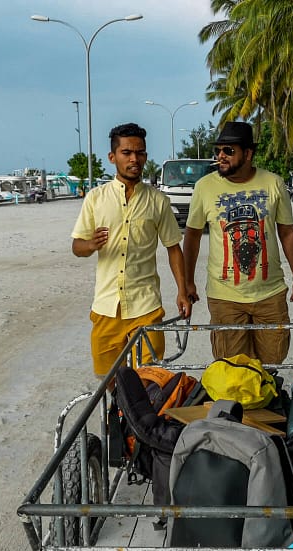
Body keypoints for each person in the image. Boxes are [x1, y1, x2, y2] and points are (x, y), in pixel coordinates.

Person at [72, 123, 192, 380]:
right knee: (108, 382)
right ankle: (116, 420)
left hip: (146, 306)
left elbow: (173, 248)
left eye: (140, 153)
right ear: (113, 157)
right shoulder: (95, 198)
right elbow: (77, 247)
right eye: (127, 153)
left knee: (151, 380)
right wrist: (91, 245)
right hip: (106, 308)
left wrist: (182, 291)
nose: (134, 159)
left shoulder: (158, 201)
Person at [183, 121, 293, 364]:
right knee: (231, 366)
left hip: (270, 293)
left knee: (272, 360)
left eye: (229, 151)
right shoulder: (204, 187)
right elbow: (193, 236)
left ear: (248, 154)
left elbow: (287, 233)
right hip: (224, 296)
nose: (221, 156)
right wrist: (187, 283)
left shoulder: (273, 183)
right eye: (218, 151)